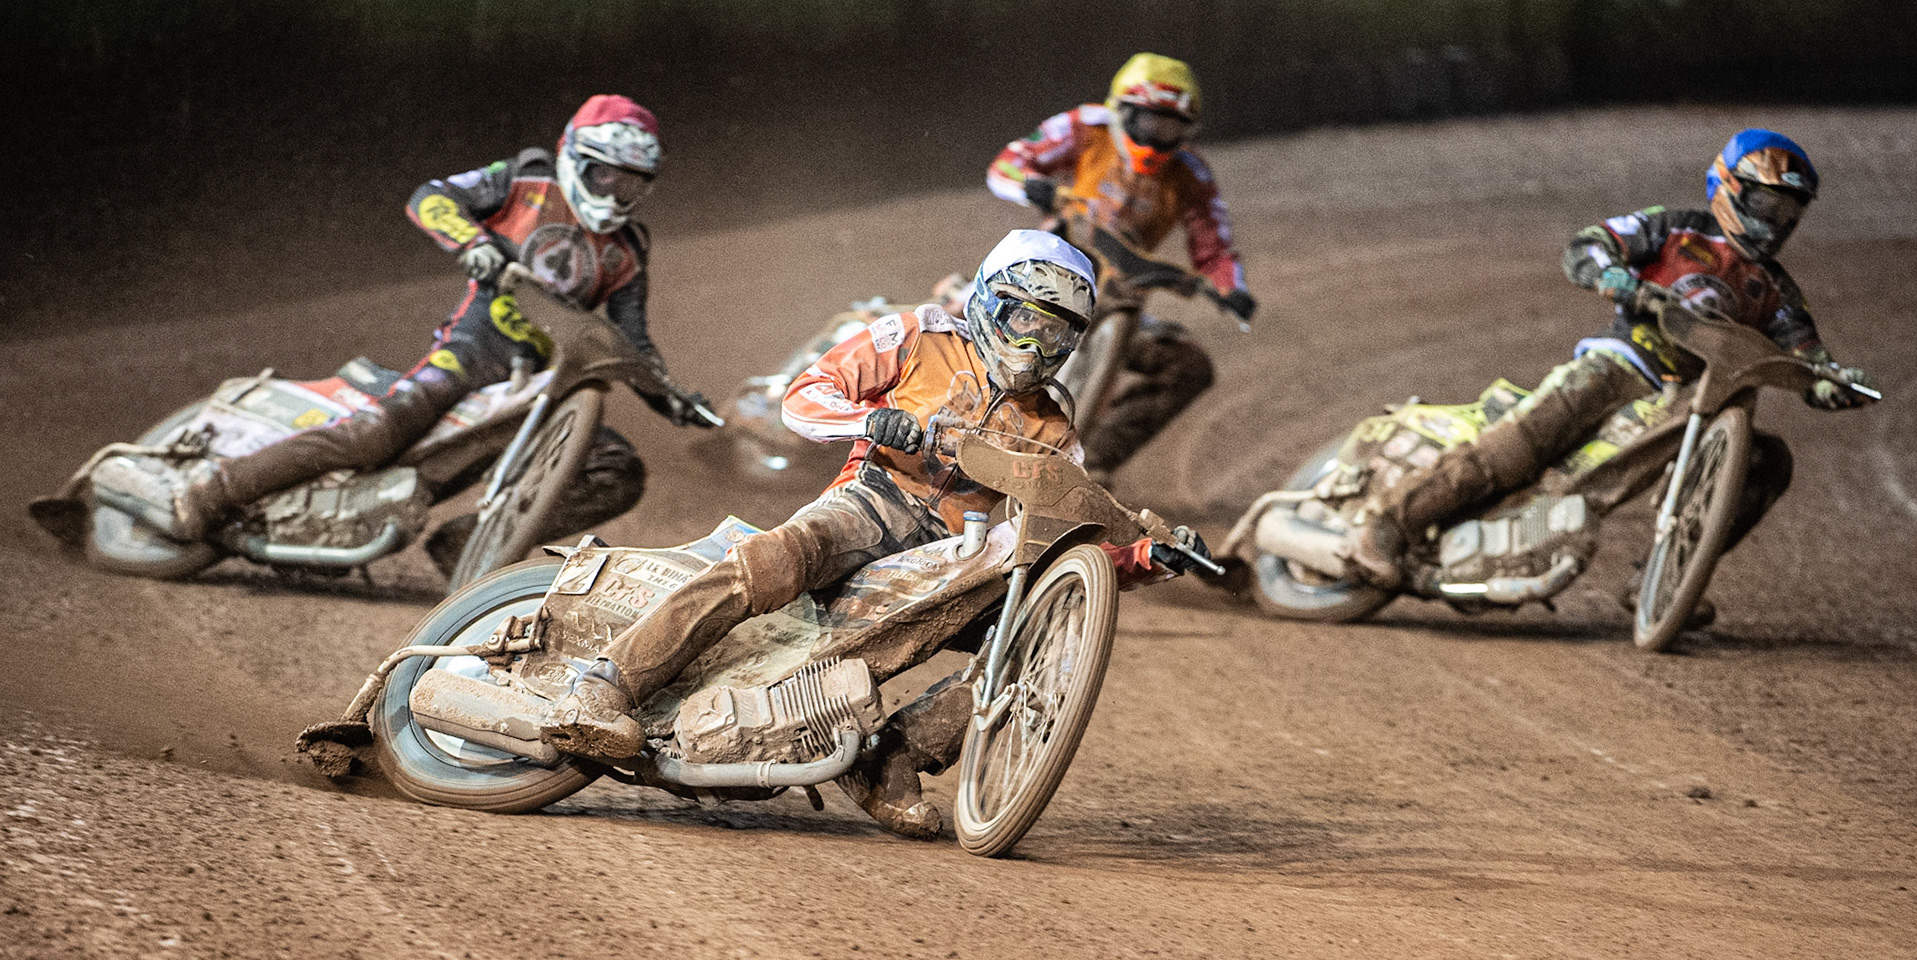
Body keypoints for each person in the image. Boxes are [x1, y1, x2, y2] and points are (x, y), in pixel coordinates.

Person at [539, 229, 1207, 838]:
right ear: (987, 300)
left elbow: (1073, 537)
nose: (1033, 347)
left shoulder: (1055, 422)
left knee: (1033, 643)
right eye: (1023, 321)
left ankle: (893, 758)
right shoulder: (918, 334)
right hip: (875, 500)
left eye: (1055, 335)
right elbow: (805, 394)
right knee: (779, 557)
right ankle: (605, 682)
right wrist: (869, 423)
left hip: (955, 551)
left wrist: (1150, 556)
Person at [165, 95, 711, 573]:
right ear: (576, 159)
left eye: (632, 181)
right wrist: (473, 243)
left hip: (551, 381)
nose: (616, 192)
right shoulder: (526, 179)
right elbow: (431, 196)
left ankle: (467, 545)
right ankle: (214, 491)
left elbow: (633, 343)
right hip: (475, 347)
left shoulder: (630, 249)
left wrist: (676, 402)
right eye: (606, 175)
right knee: (376, 436)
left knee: (618, 471)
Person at [1343, 129, 1879, 602]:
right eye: (1766, 206)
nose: (1774, 224)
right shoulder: (1675, 231)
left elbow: (1808, 356)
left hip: (1694, 401)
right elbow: (1592, 243)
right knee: (1528, 441)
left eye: (1787, 215)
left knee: (1771, 460)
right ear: (1729, 189)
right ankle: (1387, 524)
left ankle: (1661, 579)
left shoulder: (1780, 293)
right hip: (1623, 364)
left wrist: (1834, 384)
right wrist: (1617, 278)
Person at [985, 52, 1257, 481]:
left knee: (1187, 367)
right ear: (1123, 111)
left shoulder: (1192, 172)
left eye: (1170, 126)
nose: (1158, 136)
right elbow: (1005, 164)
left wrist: (1230, 287)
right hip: (1045, 275)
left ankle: (1091, 464)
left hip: (1121, 292)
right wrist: (1029, 187)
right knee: (962, 324)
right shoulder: (1086, 126)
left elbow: (1215, 245)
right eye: (1150, 122)